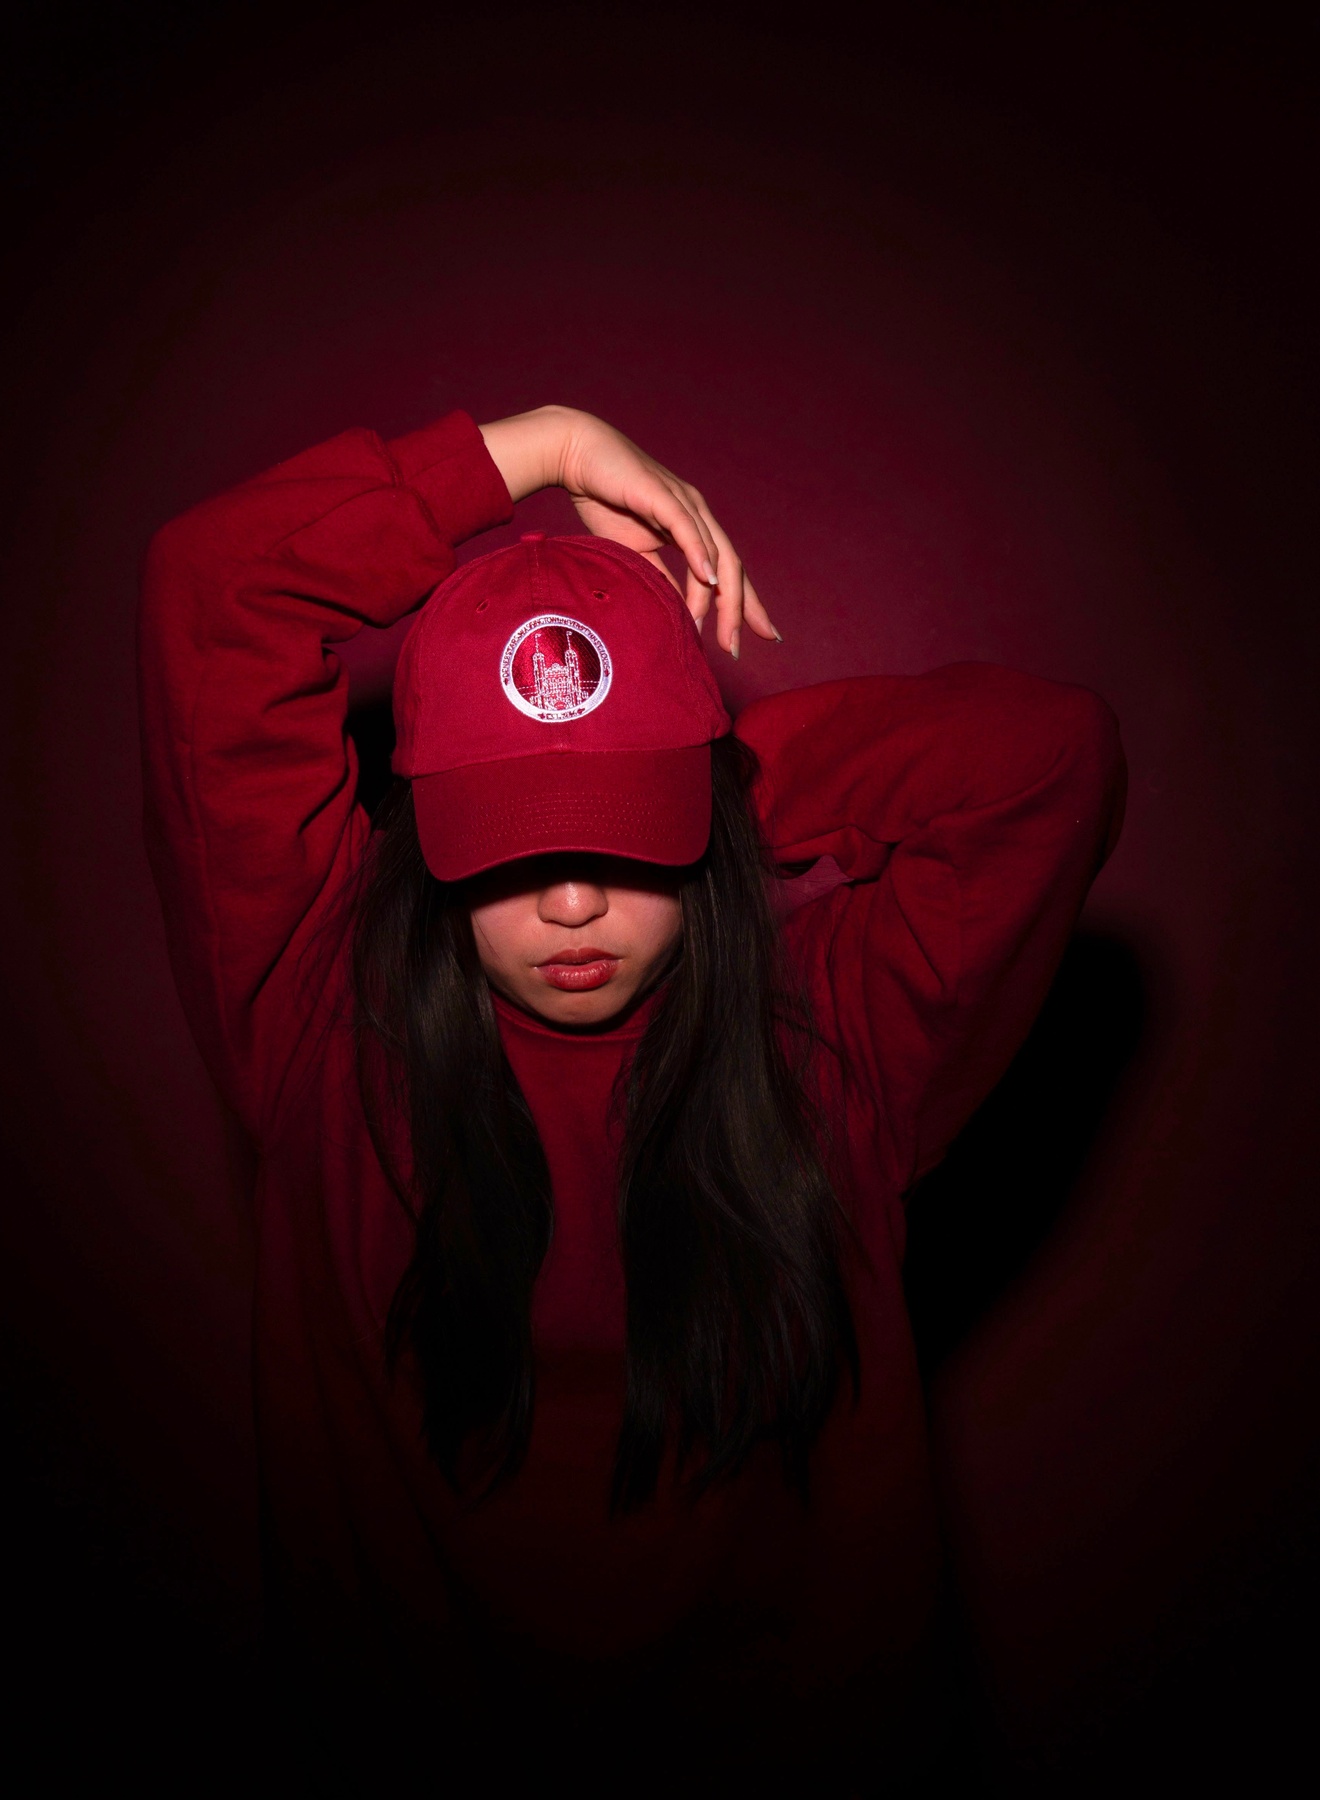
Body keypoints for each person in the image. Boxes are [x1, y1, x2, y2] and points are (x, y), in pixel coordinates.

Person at [139, 403, 1125, 1786]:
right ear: (421, 835)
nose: (577, 895)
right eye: (512, 840)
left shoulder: (831, 1037)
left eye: (622, 833)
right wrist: (533, 447)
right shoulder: (318, 1029)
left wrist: (694, 785)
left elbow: (1050, 763)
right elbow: (214, 592)